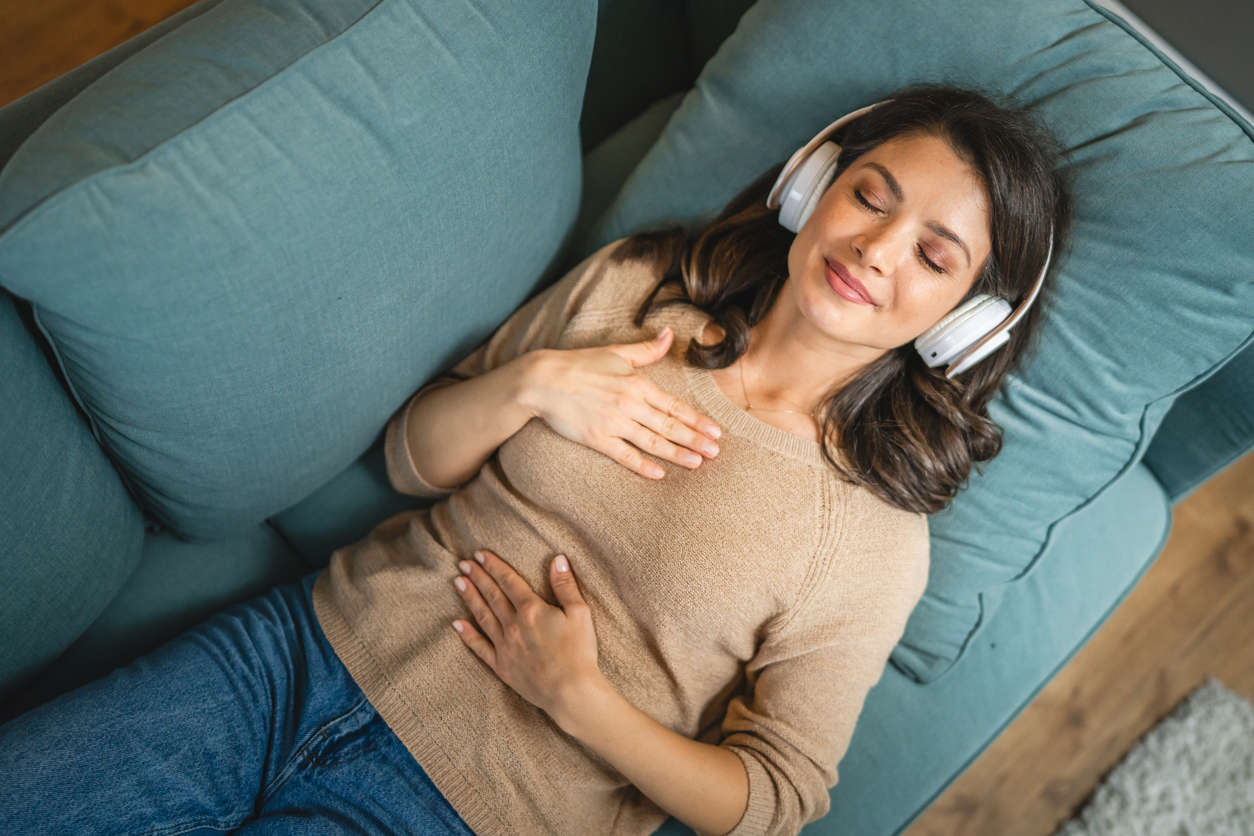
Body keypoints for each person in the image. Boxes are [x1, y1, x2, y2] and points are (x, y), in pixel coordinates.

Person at [0, 82, 1072, 836]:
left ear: (963, 324)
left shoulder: (874, 539)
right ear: (811, 184)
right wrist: (534, 383)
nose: (875, 248)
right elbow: (413, 457)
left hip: (467, 811)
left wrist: (581, 699)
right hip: (296, 655)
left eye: (934, 255)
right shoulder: (638, 287)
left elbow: (775, 797)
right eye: (871, 193)